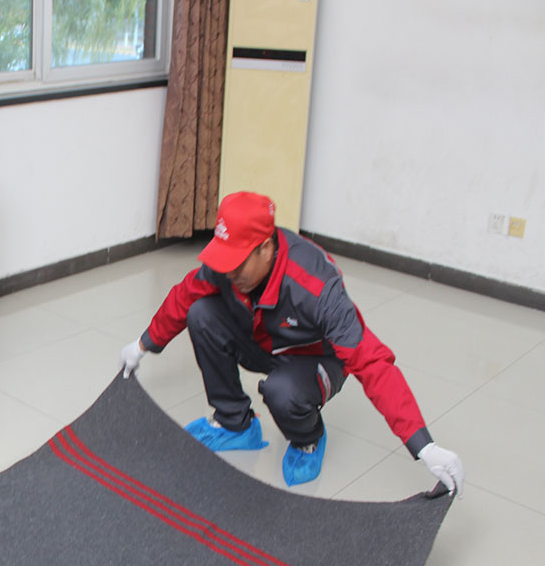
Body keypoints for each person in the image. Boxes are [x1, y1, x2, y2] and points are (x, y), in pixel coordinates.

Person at [119, 191, 464, 493]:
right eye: (224, 262)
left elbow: (373, 362)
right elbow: (183, 297)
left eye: (237, 264)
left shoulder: (317, 287)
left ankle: (308, 440)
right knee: (201, 313)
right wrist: (142, 345)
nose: (228, 272)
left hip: (314, 359)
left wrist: (423, 445)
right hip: (266, 340)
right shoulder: (228, 266)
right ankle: (235, 424)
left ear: (266, 248)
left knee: (282, 392)